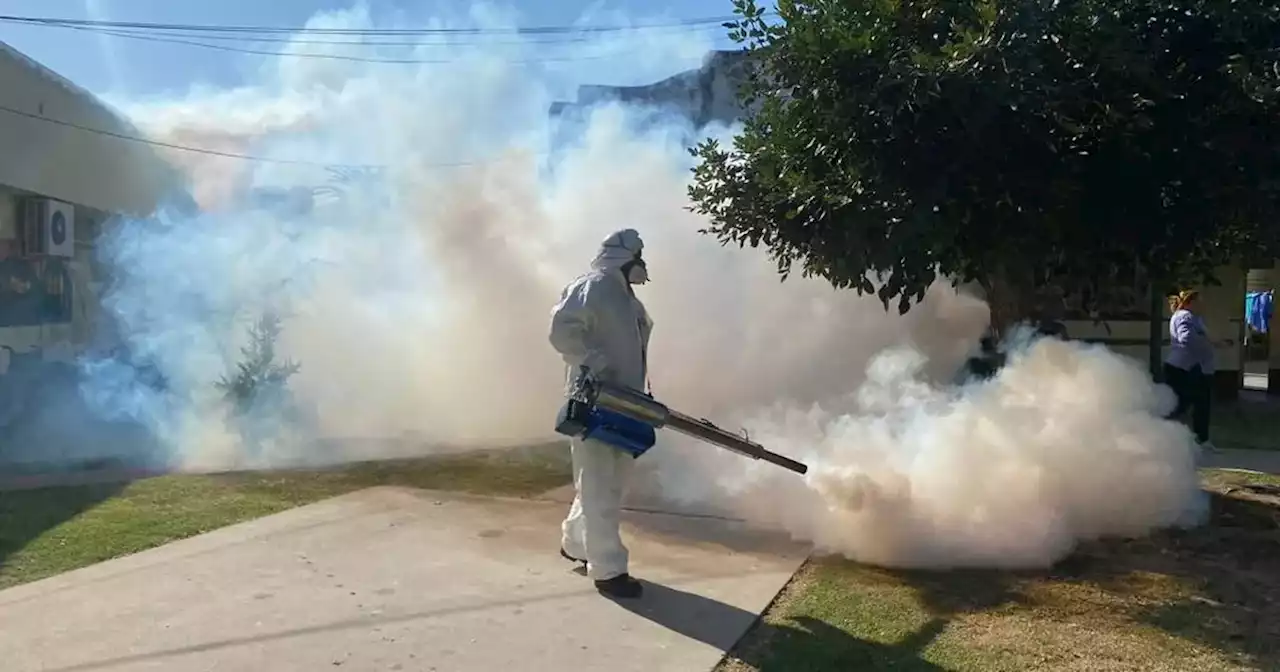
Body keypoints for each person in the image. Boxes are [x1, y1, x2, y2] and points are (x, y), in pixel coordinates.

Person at [548, 228, 653, 599]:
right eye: (639, 257)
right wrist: (592, 363)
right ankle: (609, 570)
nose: (643, 265)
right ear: (625, 257)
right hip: (595, 402)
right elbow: (562, 330)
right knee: (599, 483)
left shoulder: (629, 300)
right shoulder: (592, 285)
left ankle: (576, 543)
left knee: (607, 481)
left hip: (625, 403)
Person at [1163, 289, 1217, 451]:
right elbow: (1186, 338)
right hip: (1183, 368)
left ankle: (1201, 439)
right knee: (1180, 404)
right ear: (1190, 302)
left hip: (1194, 368)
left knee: (1200, 403)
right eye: (1199, 301)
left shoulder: (1195, 318)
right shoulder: (1184, 316)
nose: (1202, 304)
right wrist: (1206, 344)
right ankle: (1162, 436)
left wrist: (1214, 342)